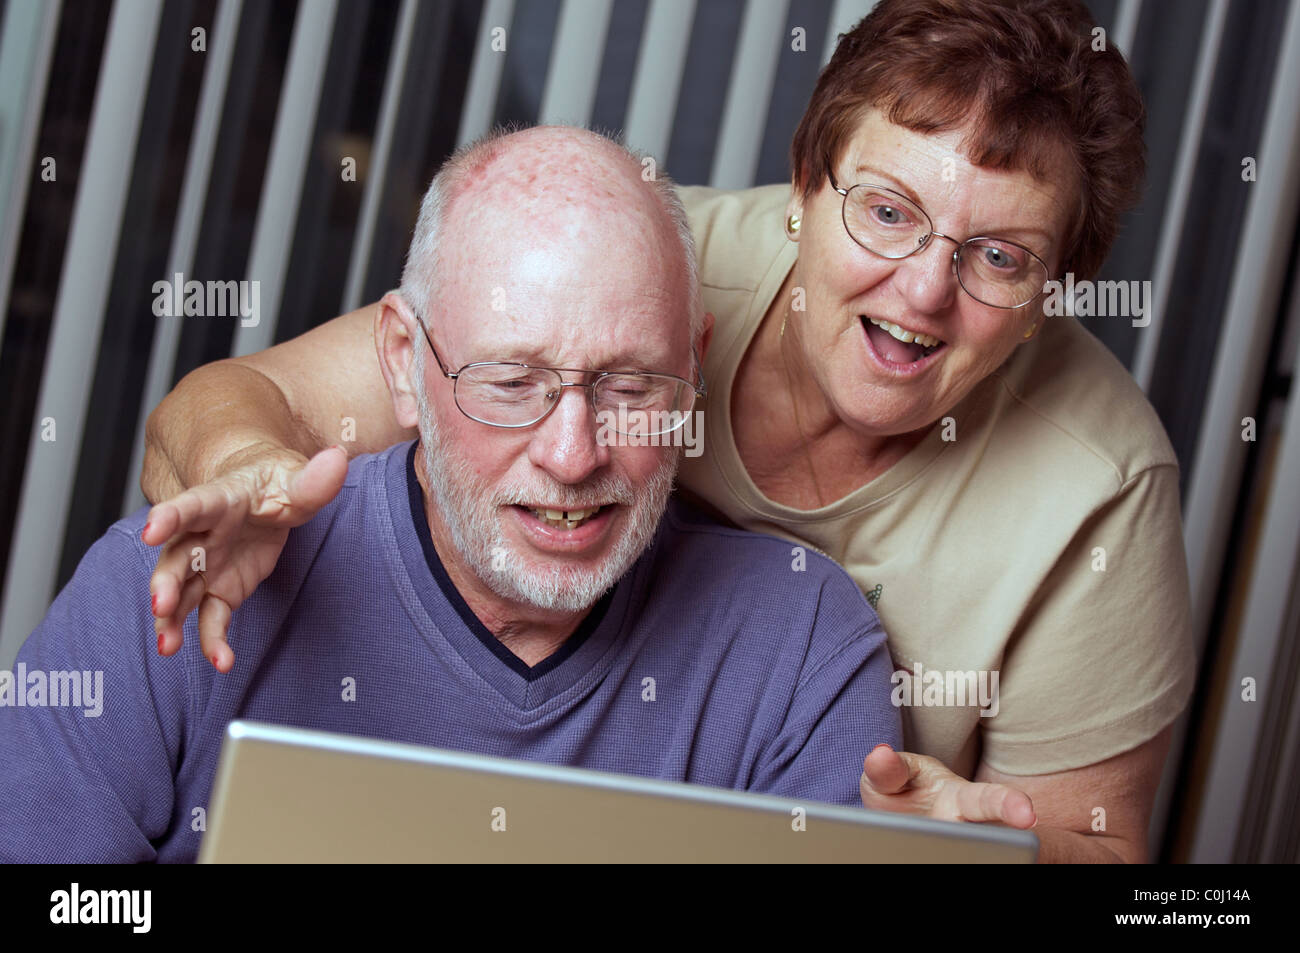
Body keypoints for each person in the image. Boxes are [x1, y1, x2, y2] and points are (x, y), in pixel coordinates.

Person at [140, 0, 1195, 862]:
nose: (922, 289)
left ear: (1051, 290)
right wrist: (241, 472)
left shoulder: (1097, 480)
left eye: (1000, 258)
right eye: (884, 208)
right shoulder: (633, 276)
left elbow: (1103, 858)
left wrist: (969, 851)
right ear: (803, 184)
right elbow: (227, 411)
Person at [0, 127, 900, 863]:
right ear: (402, 362)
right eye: (510, 382)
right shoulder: (170, 593)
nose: (572, 454)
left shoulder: (799, 648)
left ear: (694, 365)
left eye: (630, 386)